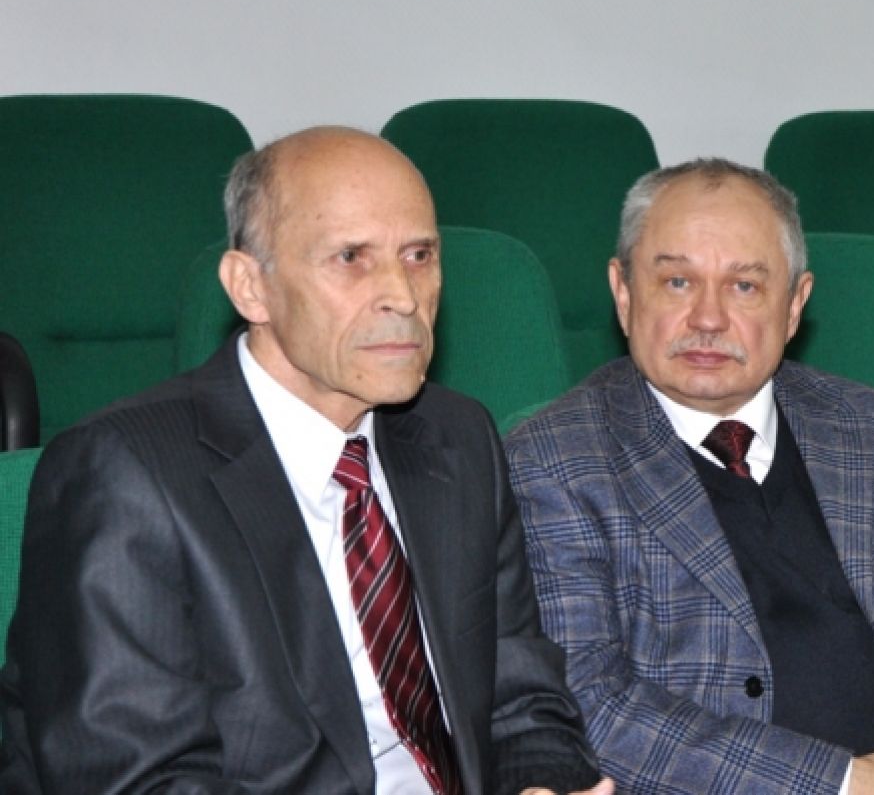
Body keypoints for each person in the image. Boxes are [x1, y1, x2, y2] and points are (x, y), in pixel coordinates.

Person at [0, 127, 610, 795]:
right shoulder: (124, 473)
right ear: (250, 288)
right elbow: (137, 779)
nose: (403, 296)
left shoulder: (458, 438)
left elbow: (522, 701)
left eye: (419, 255)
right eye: (350, 257)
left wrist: (540, 783)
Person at [504, 158, 874, 795]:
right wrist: (848, 783)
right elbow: (590, 704)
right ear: (624, 293)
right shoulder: (554, 460)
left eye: (744, 286)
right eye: (678, 282)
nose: (708, 318)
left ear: (795, 305)